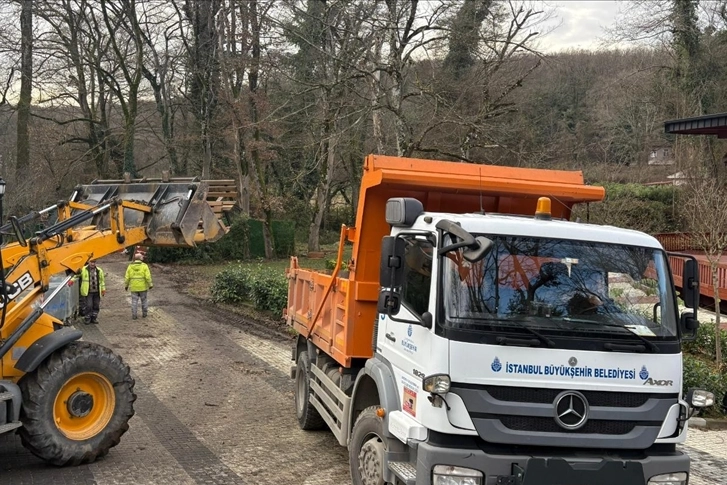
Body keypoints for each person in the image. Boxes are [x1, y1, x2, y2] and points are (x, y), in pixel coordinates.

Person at [125, 252, 153, 320]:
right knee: (144, 301)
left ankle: (134, 315)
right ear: (140, 258)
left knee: (134, 302)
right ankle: (144, 314)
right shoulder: (144, 266)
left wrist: (126, 285)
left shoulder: (130, 266)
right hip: (143, 287)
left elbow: (127, 277)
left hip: (134, 287)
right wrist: (150, 284)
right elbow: (148, 277)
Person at [79, 259, 105, 324]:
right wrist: (72, 281)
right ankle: (87, 318)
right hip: (88, 291)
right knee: (89, 305)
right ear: (88, 262)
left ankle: (94, 318)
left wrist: (103, 289)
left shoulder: (99, 270)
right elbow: (77, 275)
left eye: (94, 262)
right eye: (91, 262)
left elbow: (102, 281)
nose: (92, 264)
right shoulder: (84, 269)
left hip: (97, 291)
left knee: (96, 305)